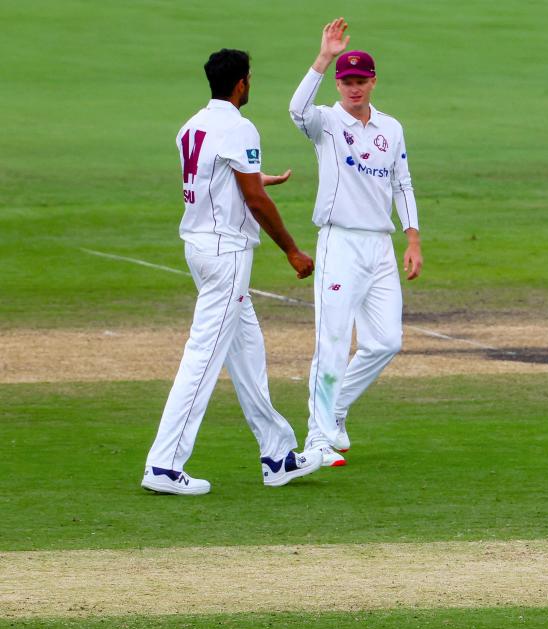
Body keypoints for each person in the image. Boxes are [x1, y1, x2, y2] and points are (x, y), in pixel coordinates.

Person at [142, 49, 334, 496]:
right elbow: (253, 200)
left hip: (201, 249)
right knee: (203, 358)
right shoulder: (239, 126)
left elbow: (212, 179)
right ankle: (164, 465)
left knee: (247, 352)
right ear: (241, 84)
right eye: (250, 78)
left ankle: (278, 455)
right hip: (226, 254)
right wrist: (292, 249)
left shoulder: (192, 125)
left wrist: (256, 177)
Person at [289, 18, 422, 457]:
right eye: (346, 81)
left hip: (380, 247)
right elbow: (295, 110)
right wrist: (323, 58)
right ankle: (316, 436)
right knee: (331, 341)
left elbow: (402, 184)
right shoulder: (325, 122)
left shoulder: (391, 128)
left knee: (386, 341)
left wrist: (413, 238)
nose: (353, 88)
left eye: (360, 80)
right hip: (339, 243)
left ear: (373, 81)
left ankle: (335, 409)